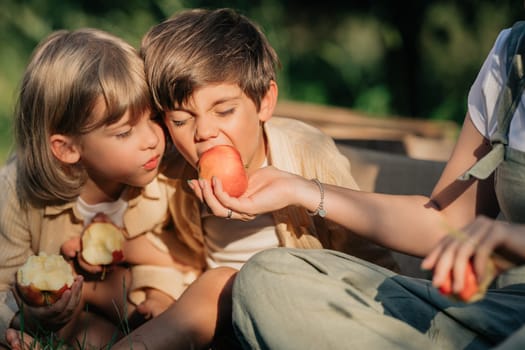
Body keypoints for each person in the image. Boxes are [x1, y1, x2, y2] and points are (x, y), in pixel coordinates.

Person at [196, 20, 525, 349]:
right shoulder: (509, 58)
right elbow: (446, 223)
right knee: (267, 278)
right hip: (500, 309)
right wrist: (301, 189)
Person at [138, 7, 399, 280]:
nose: (203, 131)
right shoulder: (173, 171)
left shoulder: (309, 153)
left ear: (264, 102)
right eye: (180, 120)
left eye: (225, 111)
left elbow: (370, 256)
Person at [0, 28, 209, 349]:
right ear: (68, 148)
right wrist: (27, 317)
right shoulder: (16, 193)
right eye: (125, 132)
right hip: (65, 321)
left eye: (152, 117)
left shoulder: (168, 175)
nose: (152, 140)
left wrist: (153, 284)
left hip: (136, 302)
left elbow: (192, 255)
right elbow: (3, 285)